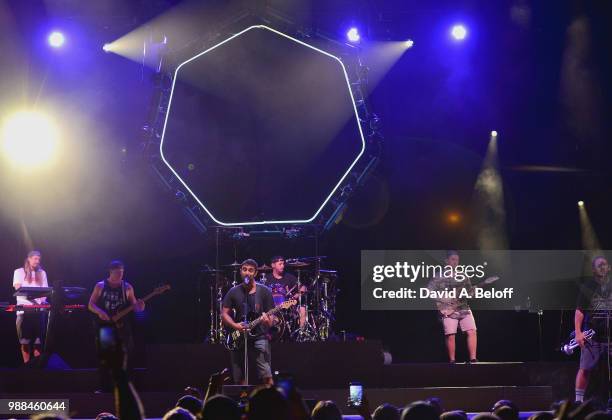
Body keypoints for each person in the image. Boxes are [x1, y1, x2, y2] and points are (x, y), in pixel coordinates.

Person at [88, 260, 145, 387]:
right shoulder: (100, 286)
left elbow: (135, 307)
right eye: (117, 272)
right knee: (106, 356)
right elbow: (90, 304)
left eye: (122, 272)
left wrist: (141, 307)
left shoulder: (128, 287)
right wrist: (99, 312)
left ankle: (127, 386)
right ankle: (105, 386)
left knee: (127, 355)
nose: (120, 275)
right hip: (105, 325)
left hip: (122, 326)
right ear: (110, 272)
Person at [221, 259, 274, 385]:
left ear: (255, 273)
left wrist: (267, 322)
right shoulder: (233, 291)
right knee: (239, 375)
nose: (247, 273)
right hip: (238, 335)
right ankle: (243, 401)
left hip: (259, 335)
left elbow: (271, 320)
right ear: (240, 271)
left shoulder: (264, 291)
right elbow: (224, 313)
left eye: (250, 270)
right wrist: (235, 326)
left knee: (266, 373)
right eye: (244, 270)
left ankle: (270, 398)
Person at [428, 250, 478, 363]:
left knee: (472, 331)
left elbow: (470, 293)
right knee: (451, 334)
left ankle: (473, 359)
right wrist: (442, 302)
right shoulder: (439, 276)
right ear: (447, 261)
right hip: (447, 308)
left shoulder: (463, 276)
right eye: (453, 259)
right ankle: (452, 361)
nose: (455, 262)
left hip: (463, 307)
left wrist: (472, 292)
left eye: (457, 260)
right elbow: (429, 291)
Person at [574, 255, 611, 403]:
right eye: (599, 265)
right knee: (585, 368)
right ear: (593, 270)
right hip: (592, 336)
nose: (603, 267)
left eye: (605, 264)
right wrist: (578, 333)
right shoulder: (587, 287)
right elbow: (579, 311)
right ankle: (578, 401)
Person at [13, 250, 49, 364]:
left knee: (38, 342)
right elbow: (18, 288)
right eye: (35, 258)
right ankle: (26, 368)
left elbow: (45, 292)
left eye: (39, 259)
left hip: (39, 311)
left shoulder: (42, 273)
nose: (37, 261)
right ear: (28, 259)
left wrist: (42, 302)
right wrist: (33, 297)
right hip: (24, 311)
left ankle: (36, 369)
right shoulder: (19, 272)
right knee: (25, 342)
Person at [270, 256, 307, 328]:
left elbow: (303, 288)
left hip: (286, 306)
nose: (282, 266)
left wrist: (296, 295)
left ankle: (301, 334)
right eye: (280, 264)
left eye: (283, 264)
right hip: (270, 307)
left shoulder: (289, 277)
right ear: (273, 265)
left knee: (302, 309)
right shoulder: (267, 278)